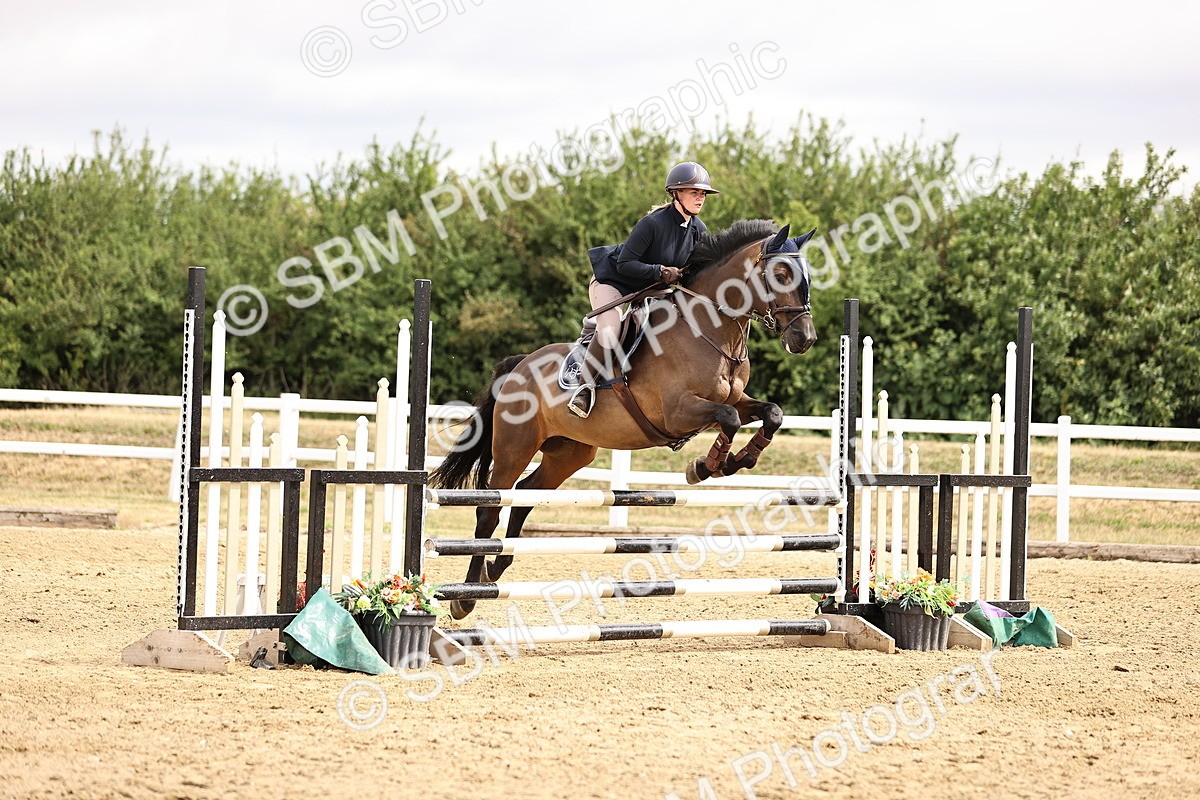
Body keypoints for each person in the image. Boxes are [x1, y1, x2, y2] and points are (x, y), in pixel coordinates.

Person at [568, 161, 719, 418]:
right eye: (694, 192)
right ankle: (583, 388)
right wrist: (660, 271)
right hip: (613, 283)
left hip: (651, 290)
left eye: (703, 193)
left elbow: (696, 270)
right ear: (676, 193)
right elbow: (626, 264)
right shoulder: (652, 224)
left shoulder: (698, 229)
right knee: (612, 329)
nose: (700, 198)